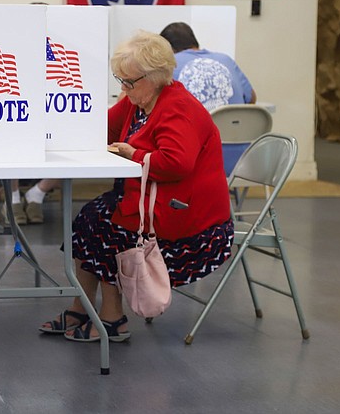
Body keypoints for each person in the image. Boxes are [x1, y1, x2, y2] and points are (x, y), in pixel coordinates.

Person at [39, 31, 233, 342]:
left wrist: (136, 154)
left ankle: (112, 319)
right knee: (88, 218)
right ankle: (82, 307)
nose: (123, 88)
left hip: (191, 222)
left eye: (129, 81)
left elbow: (176, 163)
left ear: (155, 77)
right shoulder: (138, 101)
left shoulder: (176, 107)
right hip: (150, 202)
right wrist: (57, 127)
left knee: (107, 226)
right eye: (120, 80)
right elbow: (103, 129)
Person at [160, 21, 256, 110]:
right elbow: (251, 99)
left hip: (194, 127)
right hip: (234, 126)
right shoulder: (225, 59)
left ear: (168, 49)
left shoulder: (169, 64)